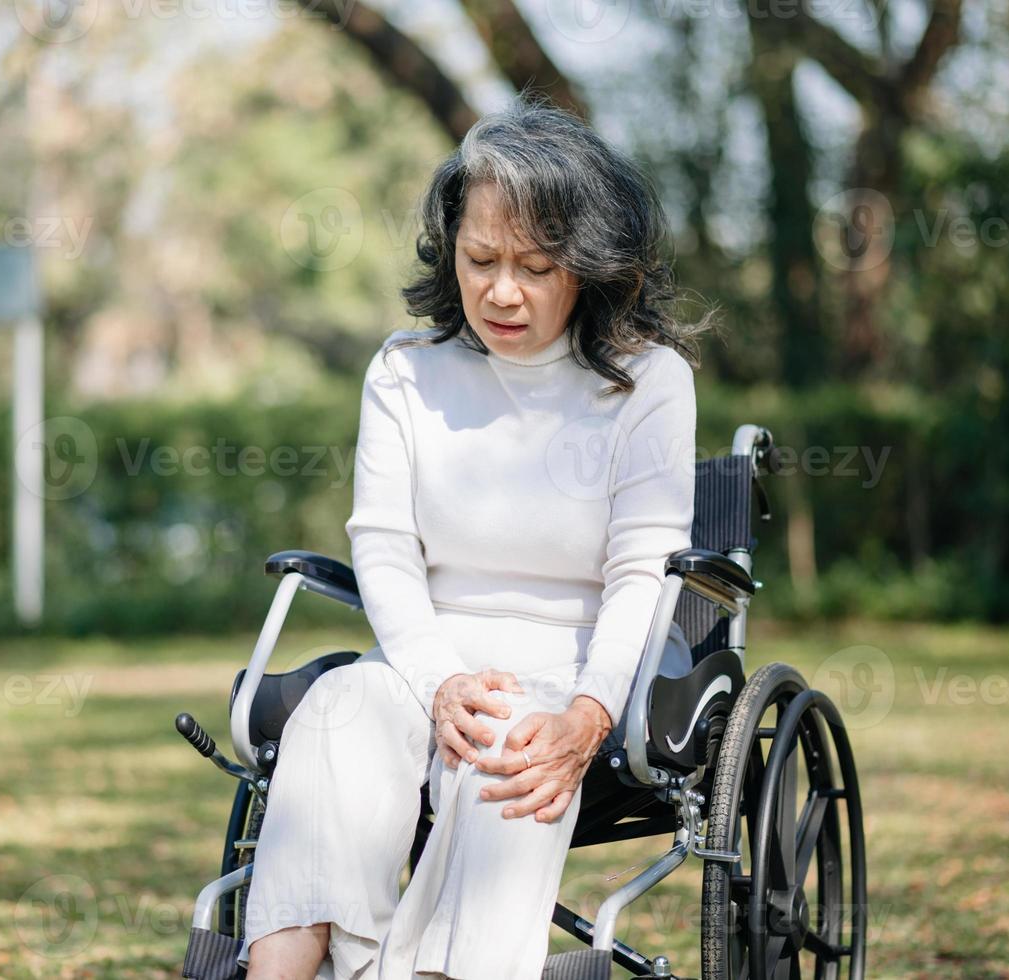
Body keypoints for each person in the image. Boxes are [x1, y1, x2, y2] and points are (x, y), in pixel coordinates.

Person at [238, 94, 712, 980]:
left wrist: (587, 713)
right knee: (338, 710)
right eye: (480, 258)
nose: (501, 290)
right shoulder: (407, 373)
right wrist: (437, 679)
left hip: (576, 673)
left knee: (511, 750)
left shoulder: (649, 384)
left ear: (590, 266)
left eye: (534, 266)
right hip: (428, 660)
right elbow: (382, 548)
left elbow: (642, 573)